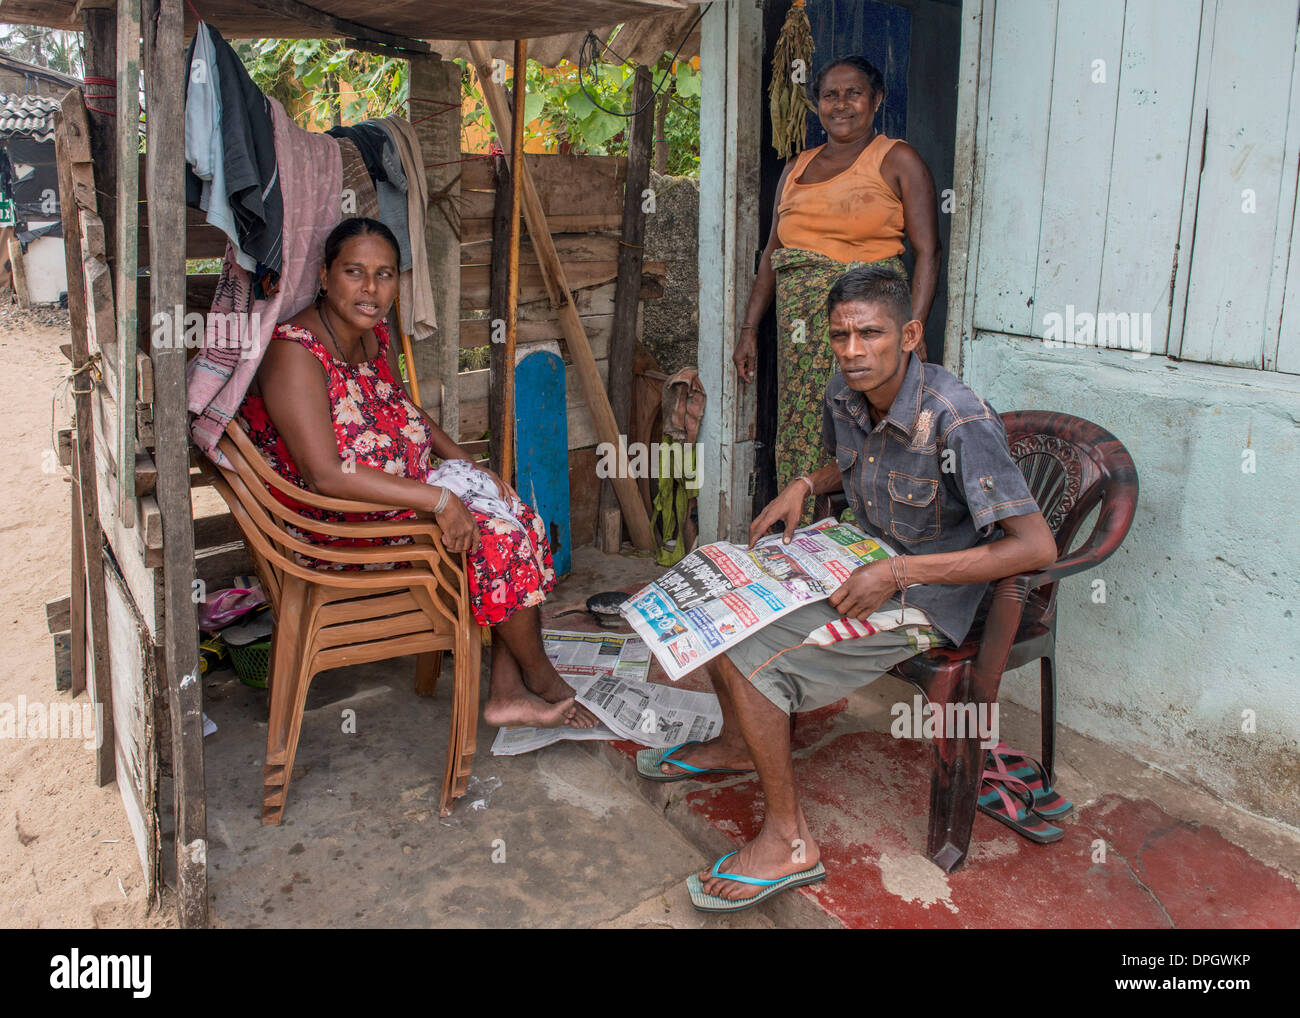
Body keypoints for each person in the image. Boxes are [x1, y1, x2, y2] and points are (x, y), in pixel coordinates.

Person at [642, 265, 1057, 910]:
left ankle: (790, 842)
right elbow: (862, 459)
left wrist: (899, 572)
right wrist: (806, 485)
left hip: (923, 594)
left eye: (870, 334)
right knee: (716, 610)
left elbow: (1035, 546)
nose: (853, 351)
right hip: (853, 555)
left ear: (911, 334)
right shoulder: (846, 391)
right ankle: (735, 745)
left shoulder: (956, 418)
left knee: (751, 658)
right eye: (840, 336)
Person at [238, 217, 597, 730]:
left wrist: (465, 464)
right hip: (342, 525)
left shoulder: (369, 335)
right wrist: (440, 500)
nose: (370, 289)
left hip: (400, 496)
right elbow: (325, 475)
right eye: (354, 272)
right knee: (497, 541)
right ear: (323, 276)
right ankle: (541, 679)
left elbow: (401, 406)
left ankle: (506, 691)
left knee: (520, 516)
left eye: (384, 275)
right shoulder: (294, 352)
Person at [734, 56, 941, 524]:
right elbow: (771, 253)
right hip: (801, 337)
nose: (841, 104)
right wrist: (749, 328)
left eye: (854, 93)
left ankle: (863, 538)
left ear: (877, 99)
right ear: (817, 103)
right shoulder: (795, 168)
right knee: (806, 426)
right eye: (830, 94)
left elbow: (928, 251)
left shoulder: (896, 159)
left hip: (867, 326)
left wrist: (915, 326)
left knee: (864, 426)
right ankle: (804, 532)